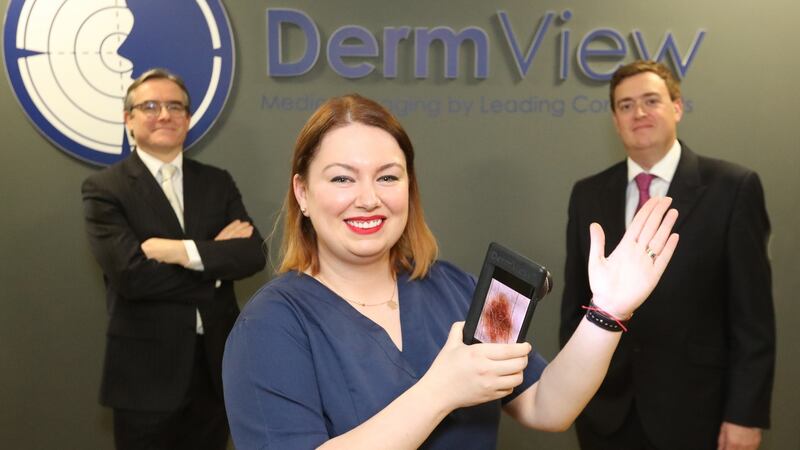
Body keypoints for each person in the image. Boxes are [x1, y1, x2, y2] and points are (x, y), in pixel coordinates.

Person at [222, 94, 680, 449]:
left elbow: (546, 406)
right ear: (302, 192)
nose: (368, 198)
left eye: (388, 176)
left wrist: (606, 313)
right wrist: (440, 391)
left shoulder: (456, 289)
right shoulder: (270, 325)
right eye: (342, 178)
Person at [560, 60, 775, 450]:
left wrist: (745, 415)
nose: (638, 113)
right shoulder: (587, 194)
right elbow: (574, 308)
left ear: (677, 107)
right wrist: (576, 401)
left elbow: (753, 319)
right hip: (606, 416)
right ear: (614, 119)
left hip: (698, 415)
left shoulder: (733, 188)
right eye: (625, 105)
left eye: (651, 100)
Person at [82, 68, 266, 450]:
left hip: (216, 370)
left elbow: (252, 254)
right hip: (145, 377)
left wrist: (177, 251)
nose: (164, 114)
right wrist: (214, 262)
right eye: (150, 106)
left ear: (188, 117)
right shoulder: (105, 188)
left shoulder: (217, 181)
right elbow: (131, 276)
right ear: (128, 119)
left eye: (175, 106)